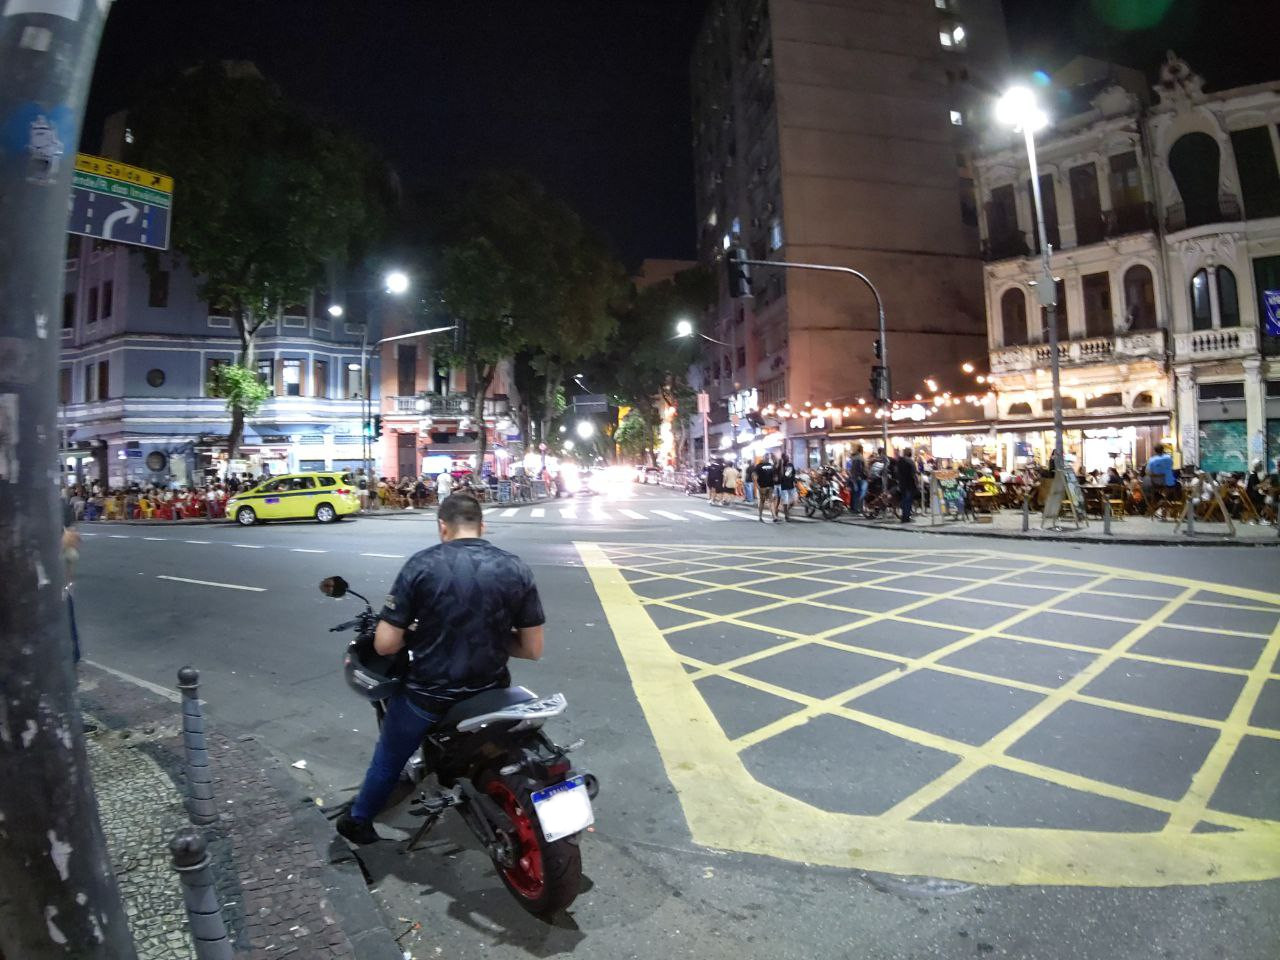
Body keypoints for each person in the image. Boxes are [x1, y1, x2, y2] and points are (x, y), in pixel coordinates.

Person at [337, 494, 546, 845]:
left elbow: (386, 645)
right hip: (492, 692)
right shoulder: (515, 568)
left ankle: (359, 821)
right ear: (483, 525)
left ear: (442, 528)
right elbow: (532, 648)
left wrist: (423, 634)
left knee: (389, 756)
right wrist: (489, 636)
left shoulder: (421, 565)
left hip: (429, 696)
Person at [896, 446, 918, 522]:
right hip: (910, 484)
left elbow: (897, 472)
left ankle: (904, 516)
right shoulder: (910, 462)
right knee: (908, 501)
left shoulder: (899, 461)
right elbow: (914, 474)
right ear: (910, 453)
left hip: (902, 483)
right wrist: (917, 483)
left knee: (905, 499)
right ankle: (906, 517)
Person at [755, 453, 777, 522]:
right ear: (764, 458)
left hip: (768, 486)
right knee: (763, 501)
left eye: (768, 457)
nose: (767, 458)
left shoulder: (760, 466)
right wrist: (757, 486)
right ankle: (761, 516)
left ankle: (774, 517)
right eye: (767, 457)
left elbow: (774, 476)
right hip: (763, 486)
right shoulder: (760, 466)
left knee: (769, 501)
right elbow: (754, 476)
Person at [777, 453, 797, 521]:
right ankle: (786, 516)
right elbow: (782, 475)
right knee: (785, 502)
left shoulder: (790, 465)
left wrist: (795, 480)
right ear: (783, 458)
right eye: (786, 457)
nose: (788, 458)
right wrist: (782, 466)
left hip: (791, 485)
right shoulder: (781, 466)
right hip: (784, 486)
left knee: (794, 501)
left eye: (788, 457)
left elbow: (793, 473)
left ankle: (786, 510)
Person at [849, 446, 867, 515]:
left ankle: (854, 508)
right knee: (860, 494)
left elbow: (852, 470)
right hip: (859, 478)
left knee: (855, 493)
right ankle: (859, 509)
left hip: (853, 478)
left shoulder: (853, 458)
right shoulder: (860, 458)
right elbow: (861, 469)